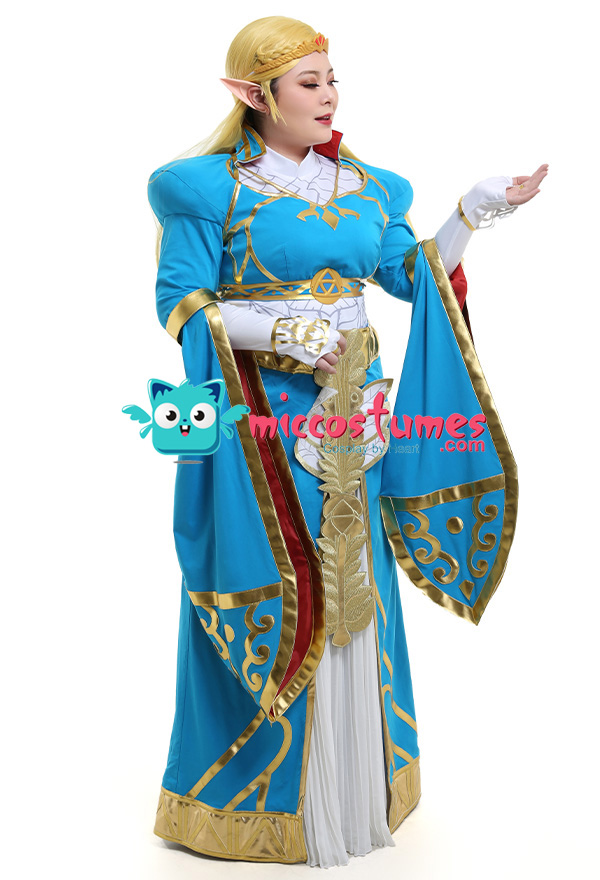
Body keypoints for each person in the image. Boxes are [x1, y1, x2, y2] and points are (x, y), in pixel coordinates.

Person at [147, 15, 547, 868]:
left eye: (333, 79)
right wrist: (280, 330)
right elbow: (181, 303)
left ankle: (354, 785)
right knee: (283, 577)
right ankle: (255, 802)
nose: (330, 95)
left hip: (354, 419)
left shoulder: (370, 188)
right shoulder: (201, 188)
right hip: (263, 426)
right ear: (254, 95)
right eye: (310, 82)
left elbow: (415, 278)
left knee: (356, 582)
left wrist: (473, 212)